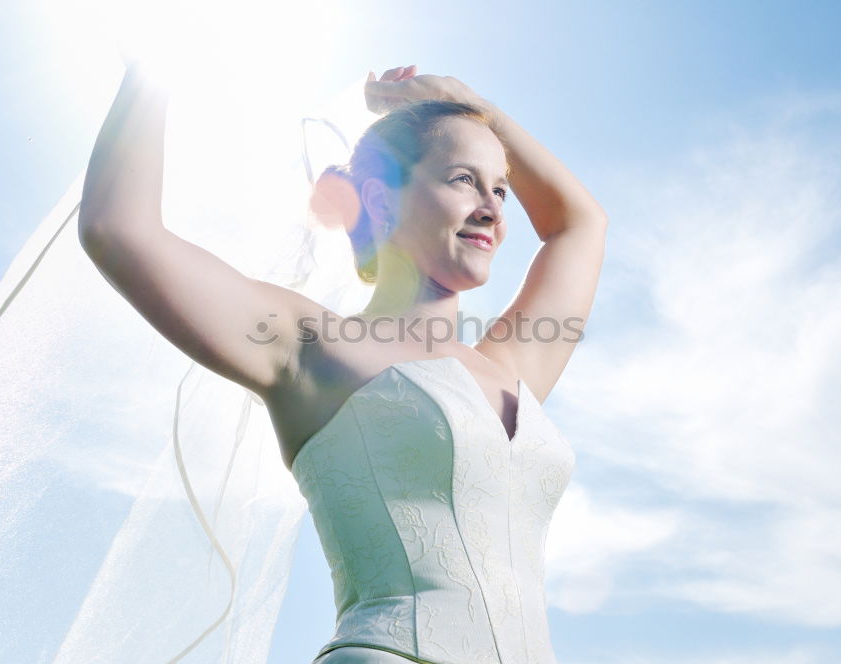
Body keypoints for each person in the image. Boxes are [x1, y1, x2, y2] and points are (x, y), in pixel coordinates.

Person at [79, 63, 607, 663]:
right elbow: (118, 231)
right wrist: (154, 62)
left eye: (501, 189)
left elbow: (580, 226)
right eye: (464, 180)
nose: (492, 208)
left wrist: (469, 104)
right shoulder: (308, 344)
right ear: (382, 199)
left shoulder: (512, 367)